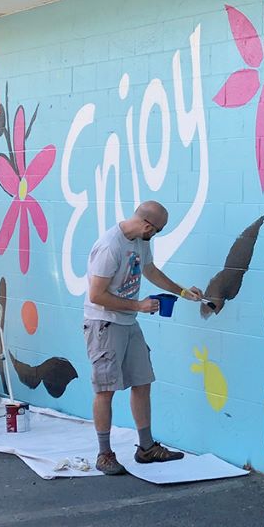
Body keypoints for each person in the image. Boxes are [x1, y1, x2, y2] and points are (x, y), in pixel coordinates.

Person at [83, 201, 203, 475]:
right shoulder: (110, 246)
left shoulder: (139, 240)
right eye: (157, 231)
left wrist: (182, 292)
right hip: (104, 324)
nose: (156, 235)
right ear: (148, 225)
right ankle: (104, 454)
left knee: (142, 381)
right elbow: (96, 295)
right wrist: (138, 306)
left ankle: (146, 447)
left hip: (128, 322)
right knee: (105, 389)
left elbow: (150, 271)